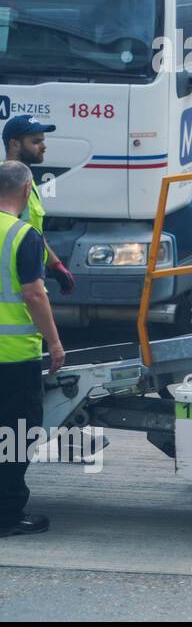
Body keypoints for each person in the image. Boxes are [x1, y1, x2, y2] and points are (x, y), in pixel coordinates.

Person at [0, 159, 63, 537]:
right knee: (15, 435)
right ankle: (6, 515)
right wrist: (54, 342)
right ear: (26, 191)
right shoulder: (24, 235)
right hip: (13, 357)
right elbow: (34, 294)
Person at [2, 115, 75, 295]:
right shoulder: (4, 181)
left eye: (43, 140)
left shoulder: (26, 181)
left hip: (26, 278)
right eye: (36, 141)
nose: (44, 146)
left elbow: (32, 231)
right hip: (15, 282)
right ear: (15, 144)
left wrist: (54, 264)